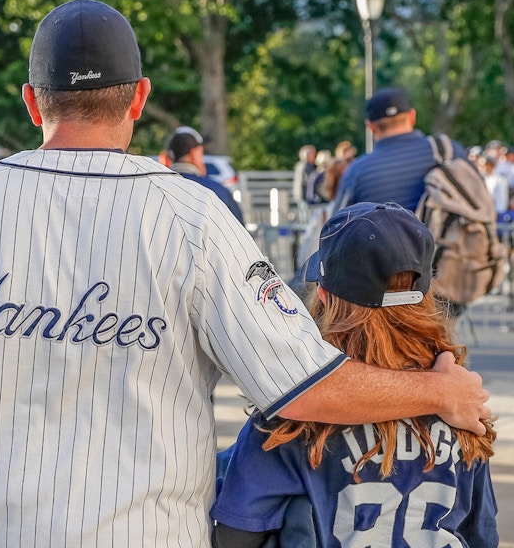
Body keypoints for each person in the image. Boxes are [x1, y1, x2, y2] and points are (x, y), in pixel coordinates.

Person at [0, 0, 489, 548]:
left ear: (33, 102)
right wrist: (439, 394)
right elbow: (302, 384)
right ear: (140, 97)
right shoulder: (194, 217)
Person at [212, 202, 498, 548]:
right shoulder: (464, 407)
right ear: (425, 295)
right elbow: (481, 535)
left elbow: (235, 536)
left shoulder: (295, 416)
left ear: (324, 295)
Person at [330, 87, 468, 212]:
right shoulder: (448, 150)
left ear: (370, 127)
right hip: (450, 240)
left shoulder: (356, 172)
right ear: (412, 116)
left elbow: (335, 232)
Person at [165, 125, 244, 223]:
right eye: (202, 152)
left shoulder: (156, 188)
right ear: (194, 153)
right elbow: (239, 231)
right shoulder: (216, 191)